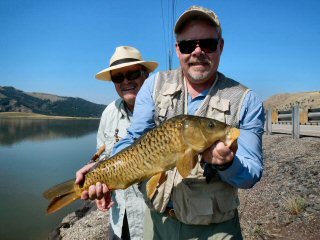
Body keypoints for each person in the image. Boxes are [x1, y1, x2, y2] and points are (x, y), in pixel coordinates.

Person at [82, 5, 265, 240]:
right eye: (188, 45)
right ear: (178, 50)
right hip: (158, 221)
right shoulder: (153, 85)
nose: (197, 52)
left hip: (215, 229)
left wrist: (227, 164)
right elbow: (134, 138)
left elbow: (252, 173)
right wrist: (102, 169)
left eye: (207, 44)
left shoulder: (246, 100)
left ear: (221, 46)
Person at [75, 46, 158, 240]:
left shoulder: (165, 110)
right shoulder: (109, 113)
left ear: (146, 74)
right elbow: (104, 157)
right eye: (118, 77)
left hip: (155, 217)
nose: (126, 81)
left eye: (132, 74)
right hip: (119, 218)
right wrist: (103, 190)